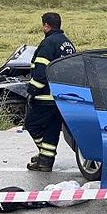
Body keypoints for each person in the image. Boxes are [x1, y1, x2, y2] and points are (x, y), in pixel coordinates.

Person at [25, 12, 75, 172]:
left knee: (32, 124)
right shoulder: (68, 44)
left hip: (45, 97)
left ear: (46, 25)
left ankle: (45, 156)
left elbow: (41, 71)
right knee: (52, 129)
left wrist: (31, 91)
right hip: (62, 98)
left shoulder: (48, 43)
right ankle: (46, 161)